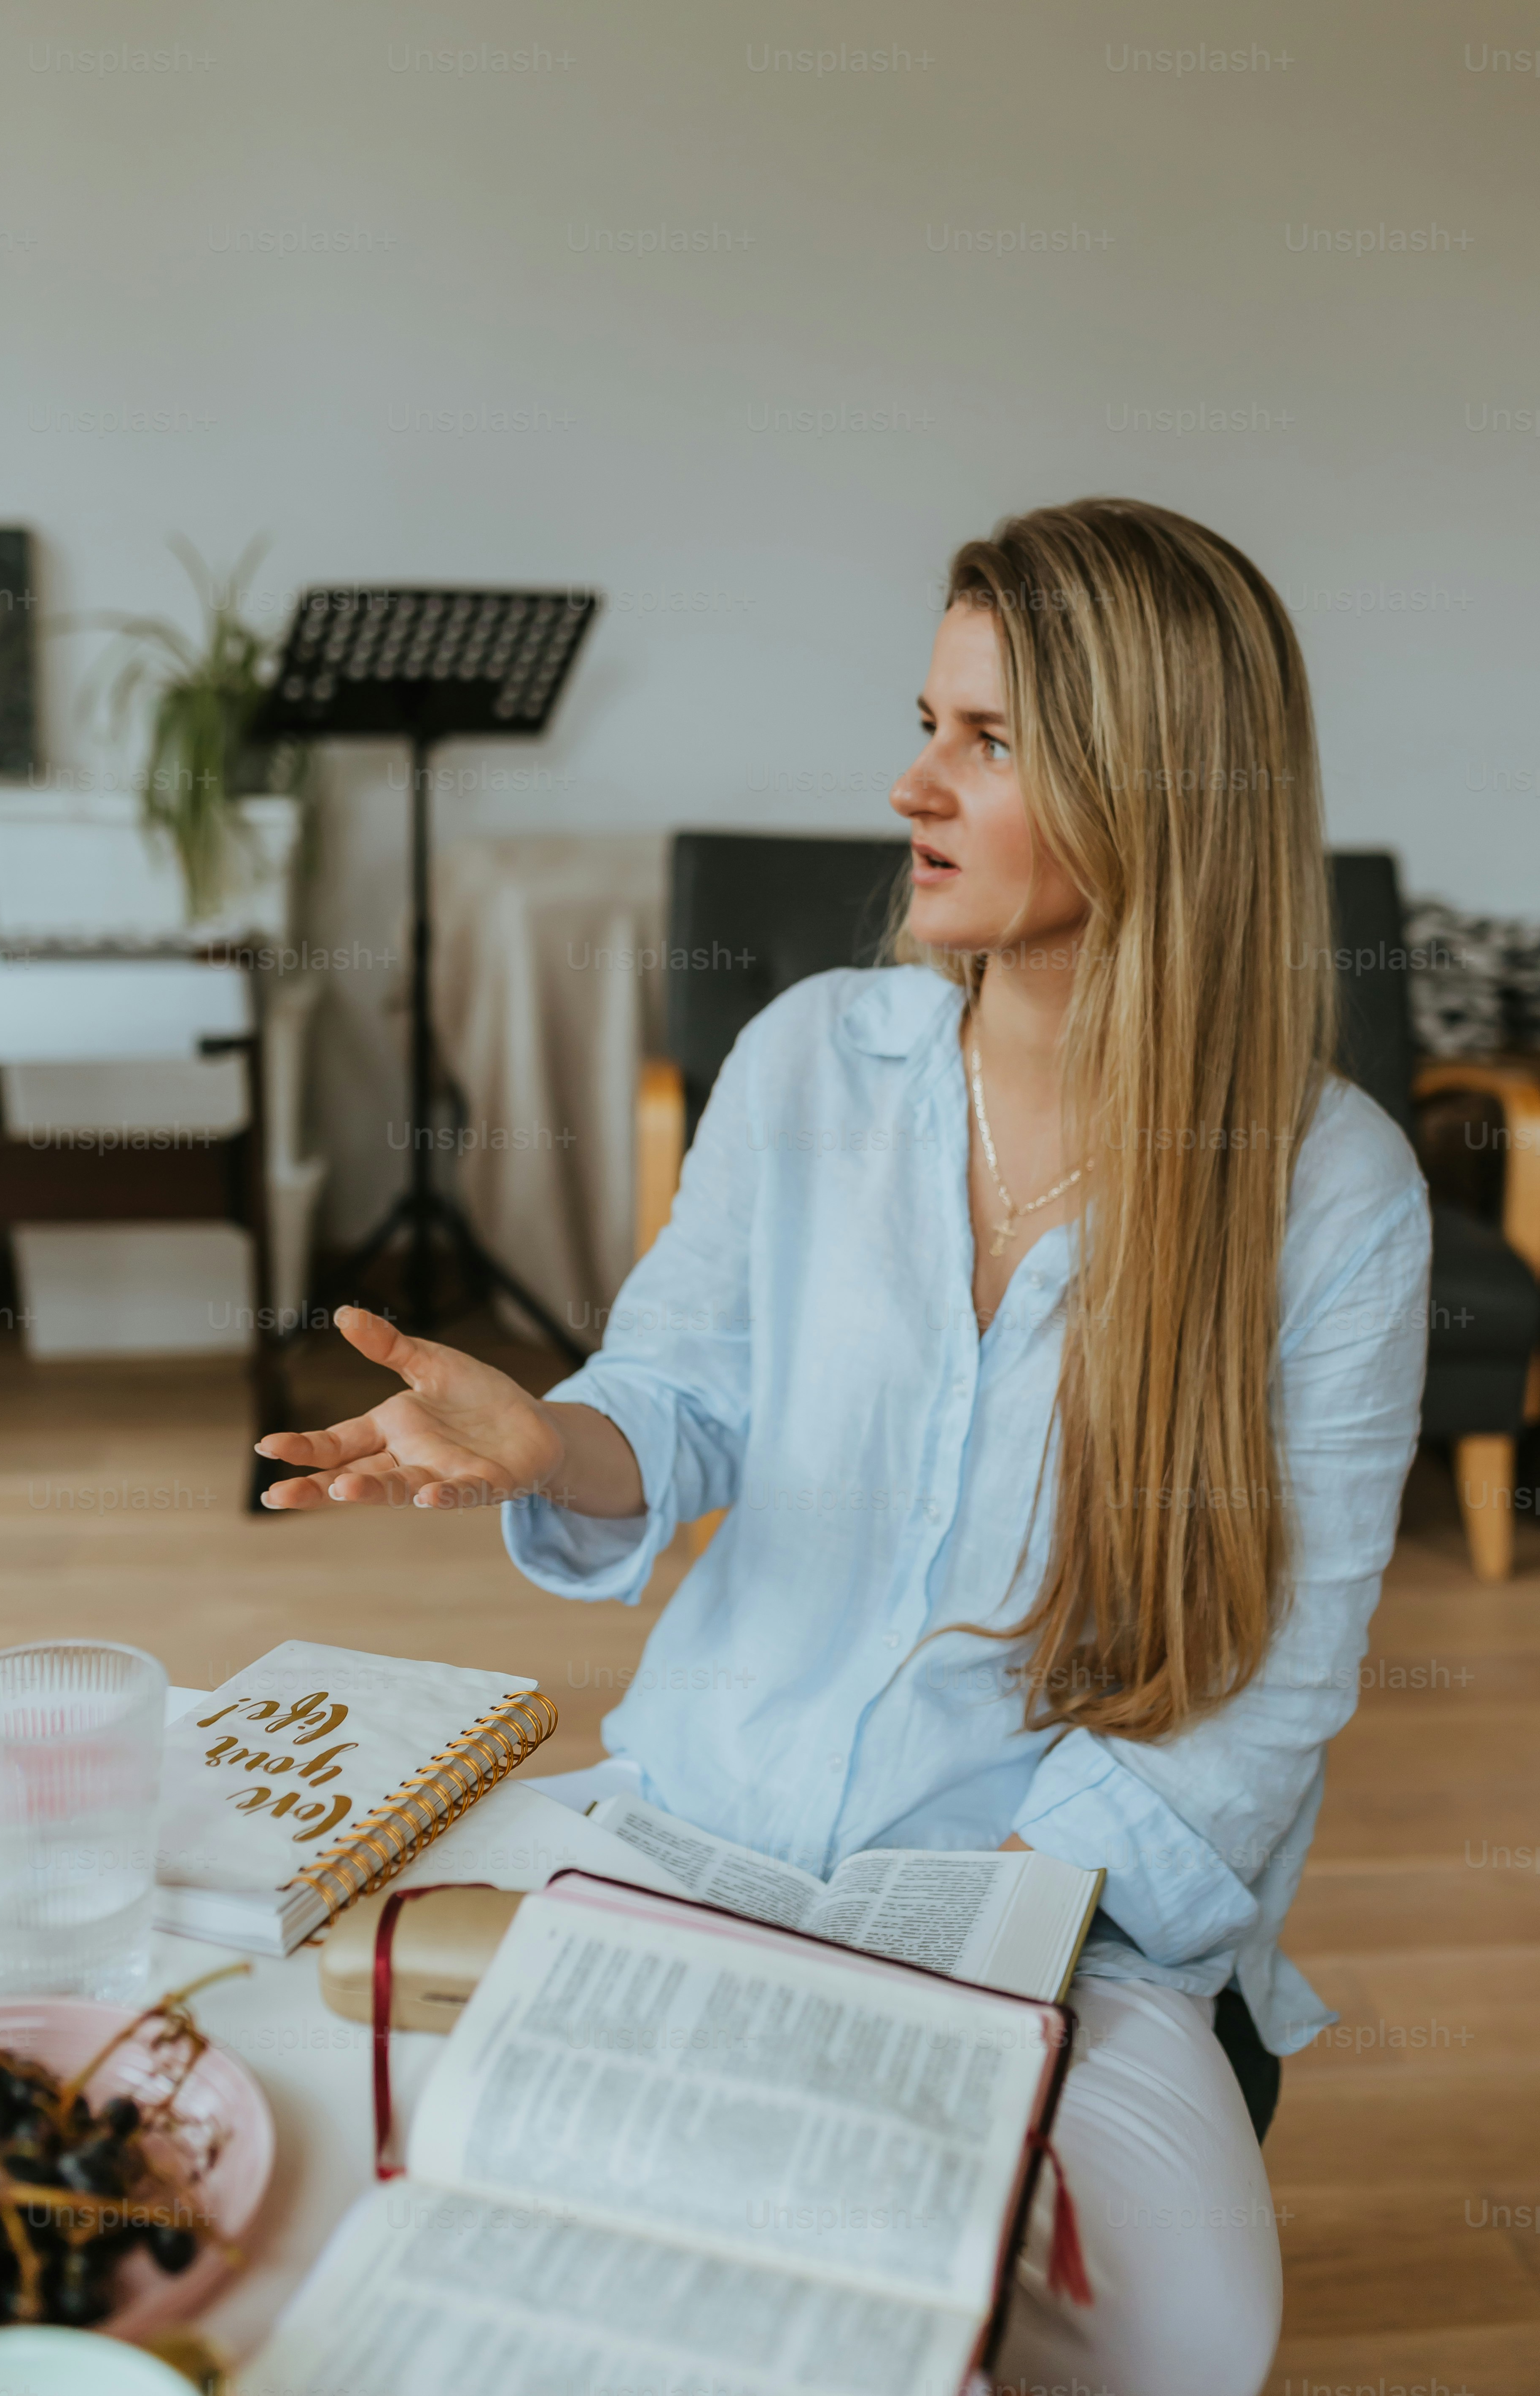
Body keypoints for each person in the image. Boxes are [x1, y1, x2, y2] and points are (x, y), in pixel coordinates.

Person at [258, 498, 1430, 2396]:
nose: (911, 785)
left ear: (1160, 789)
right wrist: (549, 1439)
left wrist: (946, 1962)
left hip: (1048, 1913)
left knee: (1174, 2339)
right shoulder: (812, 1056)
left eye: (989, 740)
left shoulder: (1331, 1194)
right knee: (340, 2131)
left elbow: (1272, 1685)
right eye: (925, 722)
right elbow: (683, 1396)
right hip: (693, 1821)